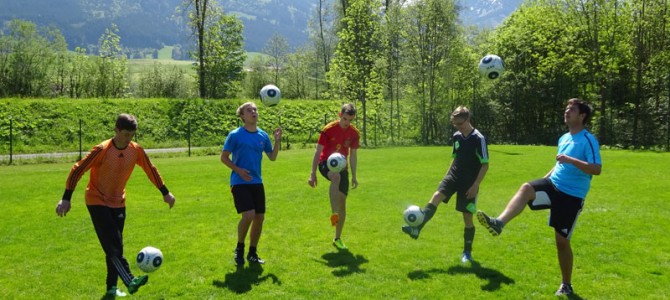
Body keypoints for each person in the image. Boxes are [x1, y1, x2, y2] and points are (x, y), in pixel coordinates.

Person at [477, 98, 602, 296]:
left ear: (582, 115)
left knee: (561, 242)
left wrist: (570, 160)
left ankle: (566, 284)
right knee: (527, 187)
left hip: (572, 196)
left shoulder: (588, 139)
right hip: (554, 185)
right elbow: (559, 165)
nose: (567, 112)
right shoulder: (564, 138)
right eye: (566, 108)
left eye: (572, 109)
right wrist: (543, 180)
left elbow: (596, 169)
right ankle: (498, 223)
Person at [55, 113, 176, 298]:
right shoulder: (102, 149)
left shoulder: (135, 150)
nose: (129, 138)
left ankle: (111, 288)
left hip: (118, 202)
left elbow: (151, 170)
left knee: (114, 245)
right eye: (126, 134)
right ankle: (129, 280)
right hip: (97, 200)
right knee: (113, 247)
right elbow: (77, 169)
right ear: (116, 130)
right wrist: (66, 198)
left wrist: (165, 192)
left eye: (132, 135)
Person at [401, 106, 489, 264]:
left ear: (467, 119)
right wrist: (446, 176)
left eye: (460, 124)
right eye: (455, 124)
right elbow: (455, 158)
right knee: (436, 196)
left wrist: (475, 185)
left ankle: (467, 253)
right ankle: (417, 228)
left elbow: (485, 165)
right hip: (453, 176)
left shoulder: (478, 139)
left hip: (469, 182)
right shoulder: (456, 136)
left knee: (467, 218)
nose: (458, 127)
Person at [221, 102, 282, 267]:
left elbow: (272, 157)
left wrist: (277, 141)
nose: (253, 112)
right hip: (239, 182)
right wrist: (239, 170)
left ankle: (252, 253)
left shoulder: (262, 135)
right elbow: (224, 157)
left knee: (259, 218)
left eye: (255, 110)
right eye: (249, 110)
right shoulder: (235, 135)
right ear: (242, 116)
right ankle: (239, 248)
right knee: (248, 215)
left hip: (257, 182)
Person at [308, 103, 360, 250]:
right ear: (339, 115)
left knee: (343, 204)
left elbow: (353, 156)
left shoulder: (354, 133)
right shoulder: (328, 129)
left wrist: (354, 176)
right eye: (344, 119)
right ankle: (333, 212)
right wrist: (312, 174)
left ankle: (337, 238)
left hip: (343, 167)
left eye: (350, 120)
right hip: (325, 163)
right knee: (335, 177)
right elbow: (318, 152)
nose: (346, 123)